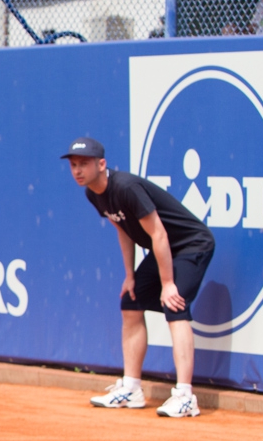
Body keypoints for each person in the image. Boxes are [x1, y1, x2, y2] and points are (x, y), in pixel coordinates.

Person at [64, 136, 215, 419]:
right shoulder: (93, 194)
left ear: (102, 164)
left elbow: (158, 233)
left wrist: (168, 283)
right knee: (130, 302)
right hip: (166, 249)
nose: (77, 170)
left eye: (84, 164)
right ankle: (132, 388)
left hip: (190, 244)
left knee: (175, 304)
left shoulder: (126, 187)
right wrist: (130, 275)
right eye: (73, 165)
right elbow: (123, 229)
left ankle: (185, 396)